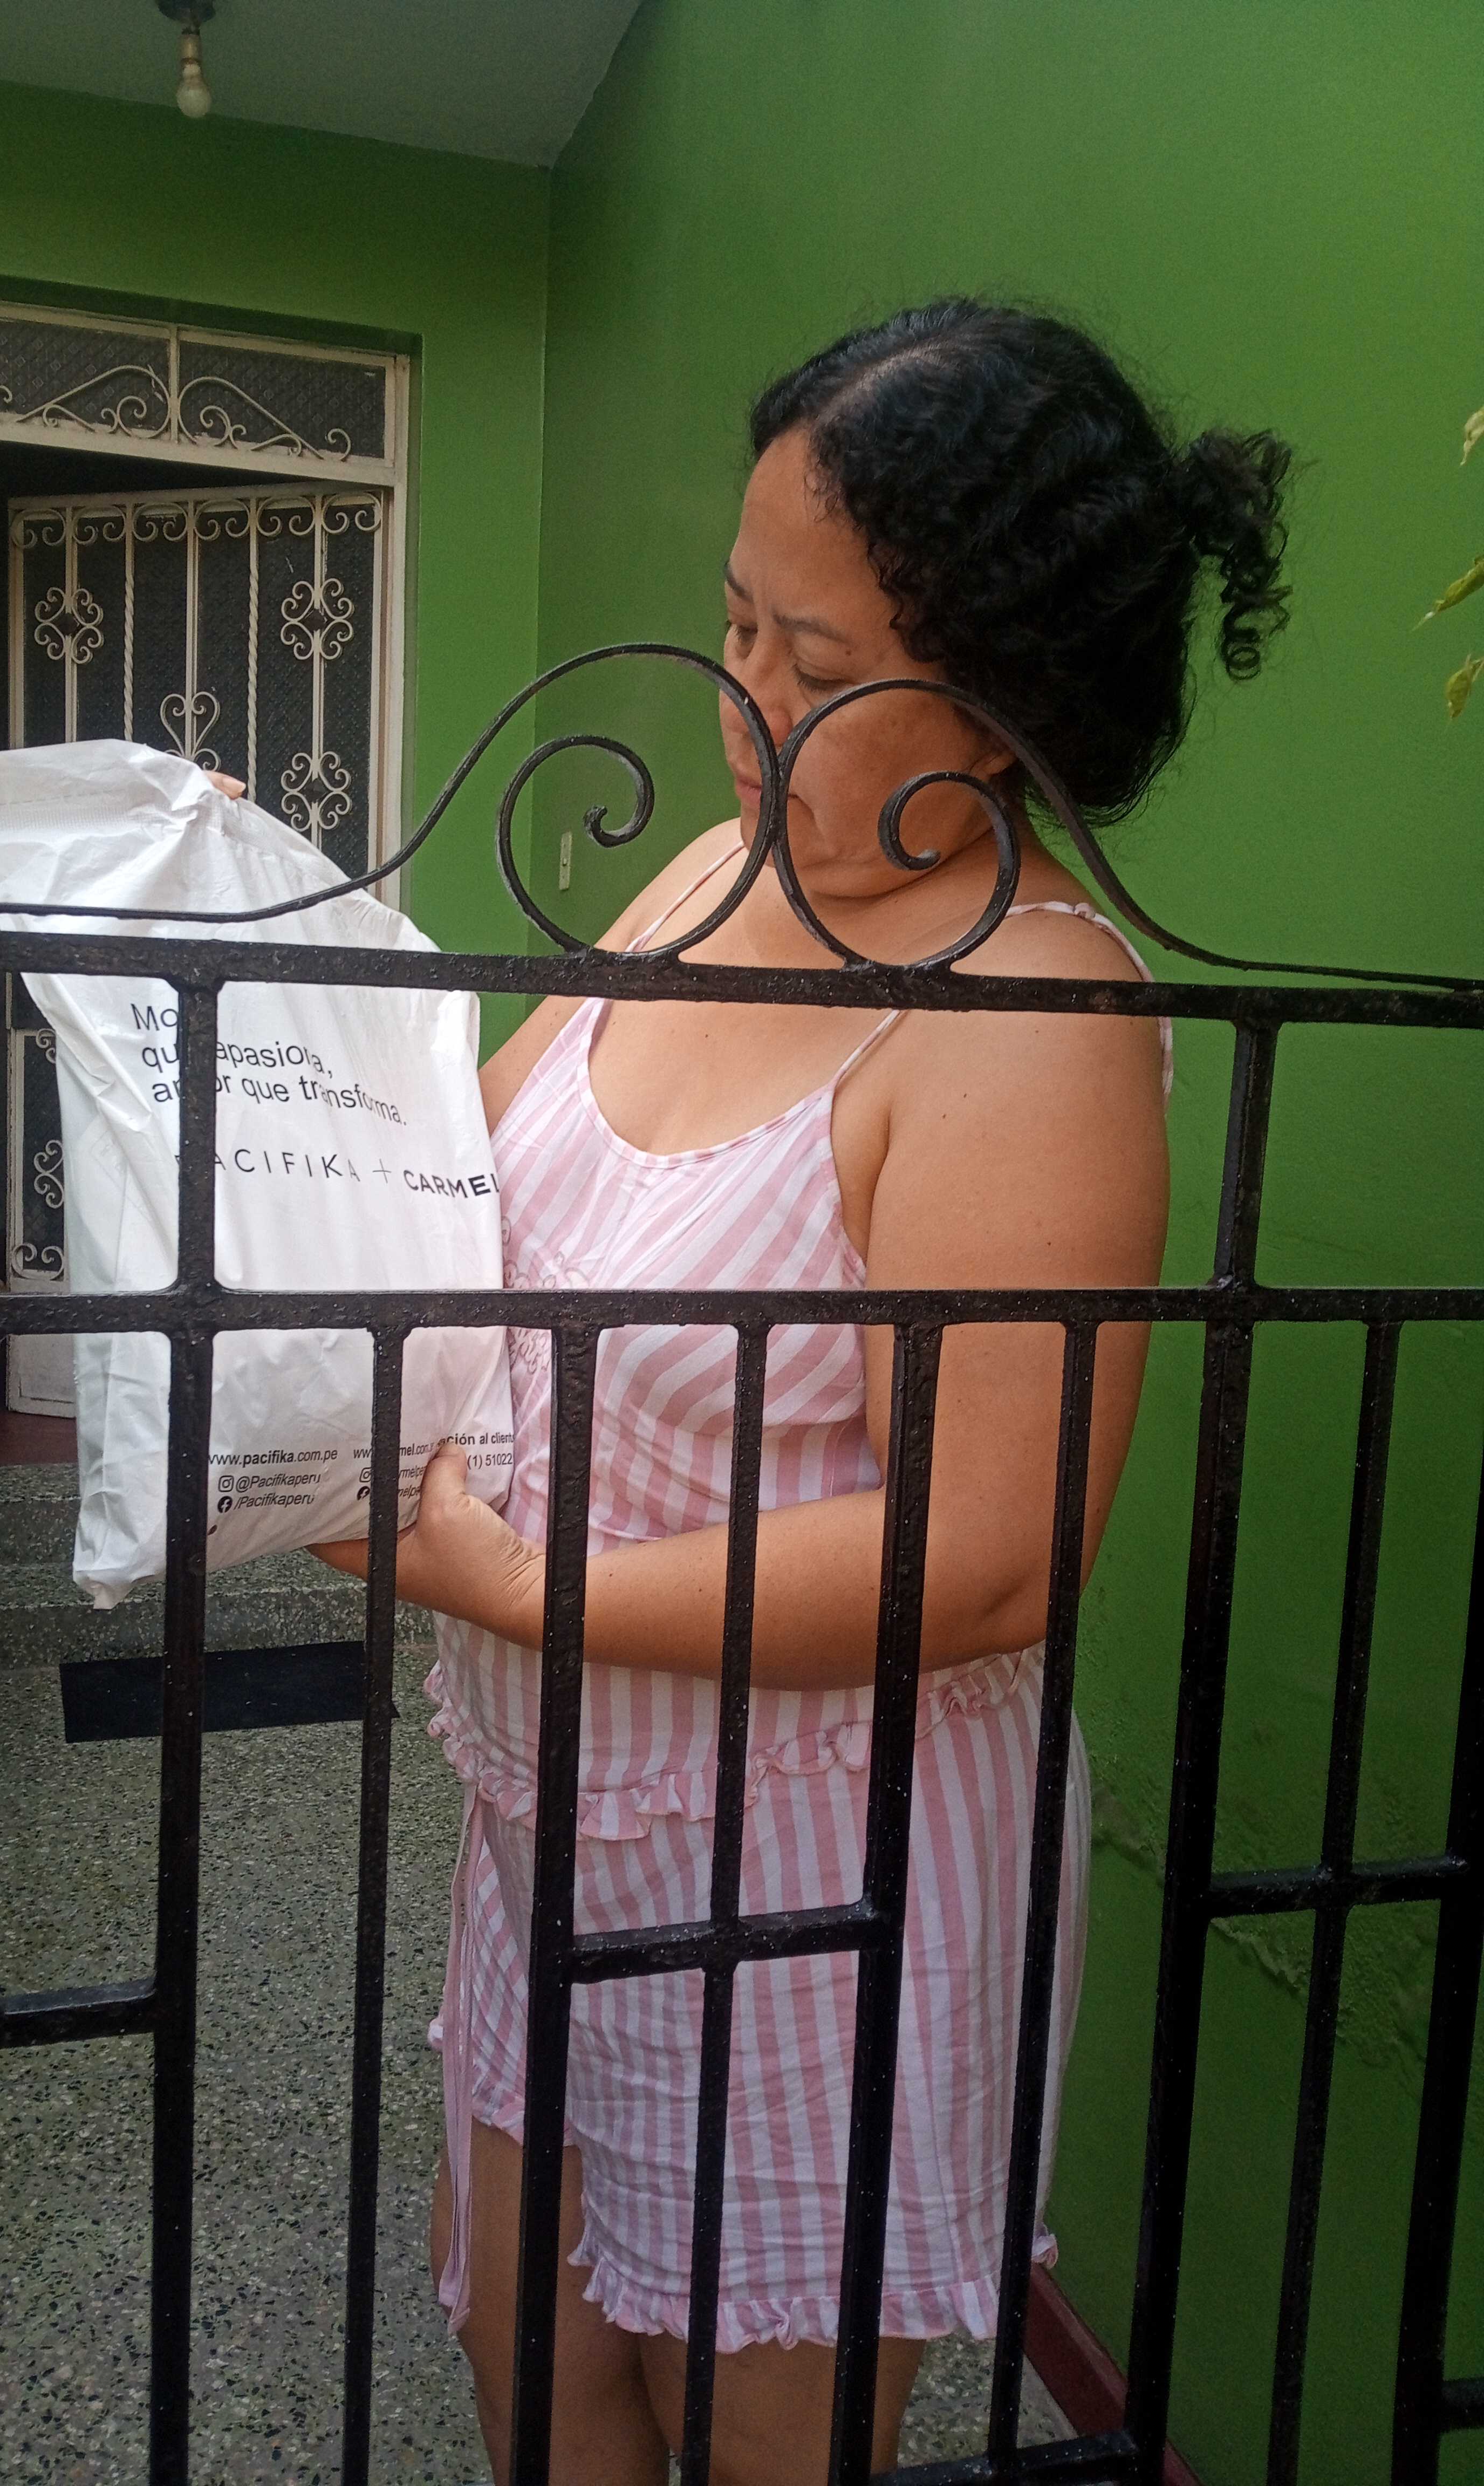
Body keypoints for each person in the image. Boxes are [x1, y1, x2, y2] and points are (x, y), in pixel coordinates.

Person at [309, 299, 1290, 2484]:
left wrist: (507, 1573)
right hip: (562, 1812)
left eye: (816, 663)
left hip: (825, 1875)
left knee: (757, 2446)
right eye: (737, 623)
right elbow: (457, 1188)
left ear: (1010, 710)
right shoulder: (708, 869)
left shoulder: (1024, 1016)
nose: (741, 698)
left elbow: (995, 1552)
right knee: (536, 2383)